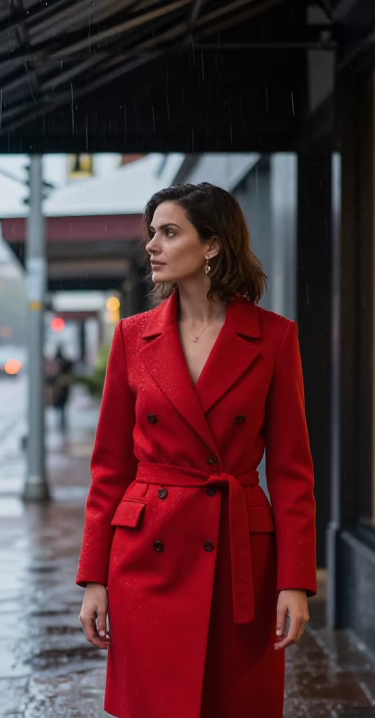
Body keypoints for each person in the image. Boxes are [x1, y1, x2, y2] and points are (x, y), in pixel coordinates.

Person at [76, 183, 317, 717]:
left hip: (239, 557)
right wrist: (94, 577)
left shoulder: (274, 338)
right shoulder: (131, 338)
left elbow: (292, 470)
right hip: (148, 553)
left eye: (169, 232)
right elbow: (110, 468)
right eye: (151, 234)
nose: (152, 246)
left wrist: (295, 581)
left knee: (233, 703)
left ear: (211, 245)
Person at [47, 347, 74, 430]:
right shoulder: (60, 363)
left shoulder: (63, 363)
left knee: (61, 407)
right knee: (61, 407)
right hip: (60, 388)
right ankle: (61, 422)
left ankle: (61, 422)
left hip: (61, 388)